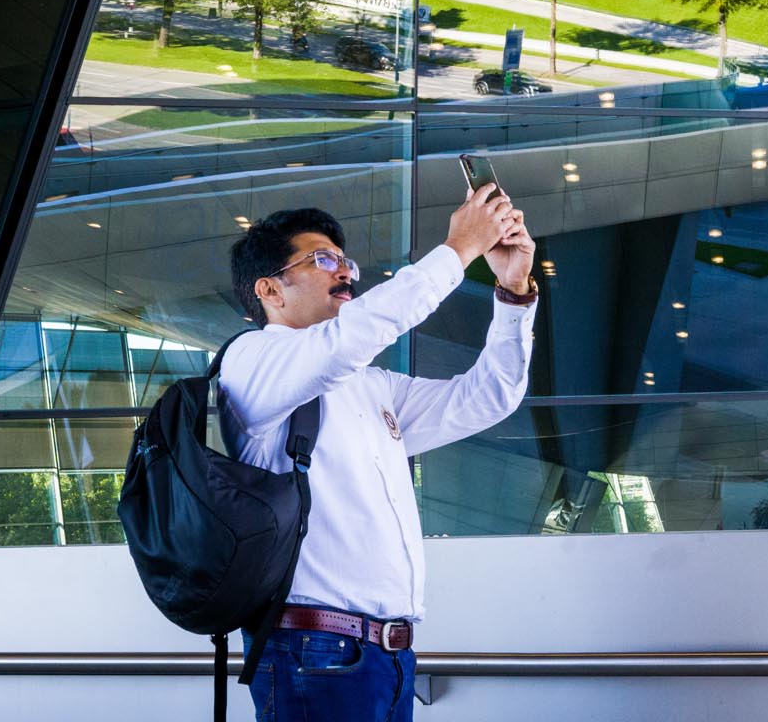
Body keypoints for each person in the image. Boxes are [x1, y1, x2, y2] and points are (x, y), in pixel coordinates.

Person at [219, 188, 539, 722]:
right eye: (323, 260)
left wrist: (512, 292)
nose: (345, 272)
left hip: (386, 658)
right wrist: (459, 248)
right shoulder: (252, 360)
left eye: (345, 261)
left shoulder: (368, 387)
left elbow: (487, 398)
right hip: (313, 653)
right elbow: (356, 335)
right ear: (270, 289)